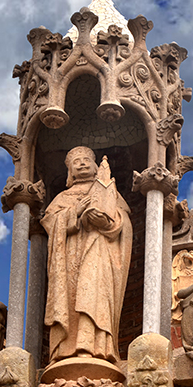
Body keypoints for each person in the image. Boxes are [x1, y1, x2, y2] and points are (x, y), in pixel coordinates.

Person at [41, 146, 132, 364]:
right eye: (76, 162)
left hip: (99, 250)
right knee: (71, 297)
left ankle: (95, 345)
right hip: (69, 256)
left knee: (95, 293)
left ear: (95, 166)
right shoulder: (63, 197)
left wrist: (108, 222)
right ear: (69, 171)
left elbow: (124, 221)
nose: (82, 164)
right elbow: (49, 222)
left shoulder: (109, 190)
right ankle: (66, 349)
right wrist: (75, 212)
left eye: (86, 161)